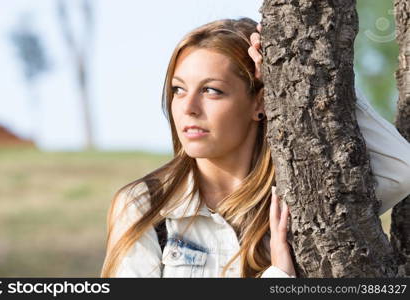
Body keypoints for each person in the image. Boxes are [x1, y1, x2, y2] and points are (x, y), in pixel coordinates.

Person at [100, 17, 410, 278]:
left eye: (211, 90)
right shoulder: (145, 205)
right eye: (179, 90)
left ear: (260, 101)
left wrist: (317, 80)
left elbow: (401, 169)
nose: (188, 107)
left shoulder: (301, 197)